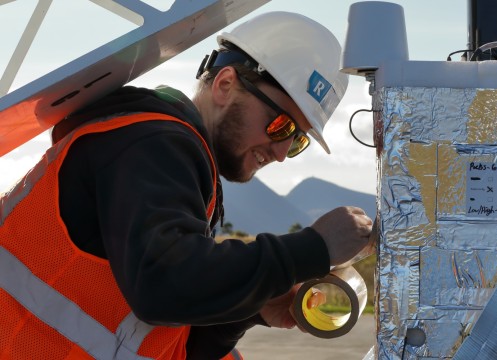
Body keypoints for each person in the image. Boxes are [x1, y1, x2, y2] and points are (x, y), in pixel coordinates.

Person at [0, 11, 373, 360]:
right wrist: (310, 248)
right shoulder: (150, 145)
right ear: (226, 85)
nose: (279, 153)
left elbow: (158, 336)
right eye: (281, 126)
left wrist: (244, 309)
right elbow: (164, 286)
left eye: (296, 141)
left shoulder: (177, 166)